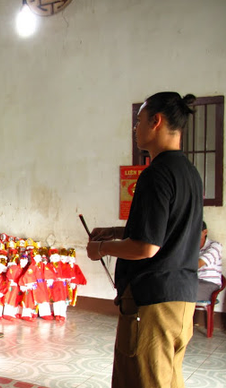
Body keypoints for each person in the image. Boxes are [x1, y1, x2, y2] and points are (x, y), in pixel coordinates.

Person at [86, 92, 203, 388]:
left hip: (153, 303)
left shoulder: (156, 174)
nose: (135, 128)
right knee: (168, 379)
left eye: (138, 121)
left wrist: (101, 249)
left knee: (143, 381)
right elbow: (165, 230)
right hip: (182, 299)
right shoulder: (189, 172)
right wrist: (114, 232)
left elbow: (147, 246)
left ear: (156, 121)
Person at [197, 221, 222, 301]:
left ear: (205, 232)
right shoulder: (190, 248)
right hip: (192, 282)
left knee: (181, 292)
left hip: (209, 284)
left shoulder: (215, 246)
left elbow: (198, 264)